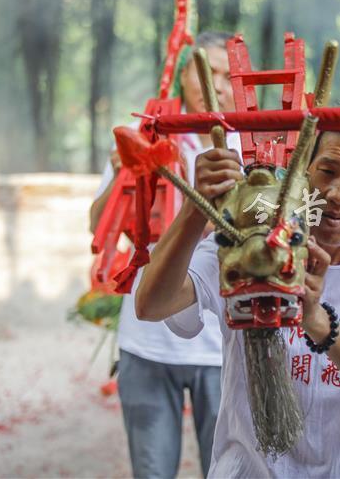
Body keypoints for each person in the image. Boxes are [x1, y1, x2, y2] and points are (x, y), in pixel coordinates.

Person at [136, 121, 340, 477]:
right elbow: (150, 305)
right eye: (328, 171)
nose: (339, 193)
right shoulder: (245, 246)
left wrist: (317, 320)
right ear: (301, 172)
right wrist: (196, 208)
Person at [90, 31, 239, 478]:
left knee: (231, 470)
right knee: (152, 471)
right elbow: (101, 227)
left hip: (224, 346)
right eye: (206, 71)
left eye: (227, 75)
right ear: (183, 76)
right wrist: (122, 177)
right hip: (147, 339)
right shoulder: (146, 137)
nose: (217, 84)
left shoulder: (251, 148)